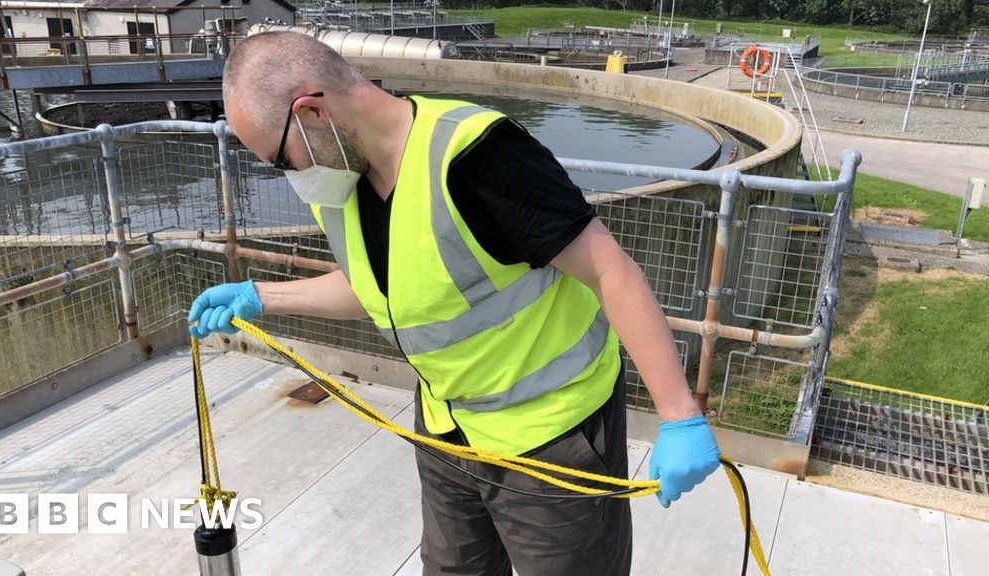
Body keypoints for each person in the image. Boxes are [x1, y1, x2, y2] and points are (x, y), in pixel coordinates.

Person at [188, 31, 720, 576]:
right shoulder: (341, 186)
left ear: (312, 113)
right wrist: (261, 296)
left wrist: (678, 415)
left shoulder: (476, 156)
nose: (290, 174)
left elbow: (610, 270)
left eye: (281, 158)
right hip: (448, 433)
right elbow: (380, 288)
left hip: (553, 440)